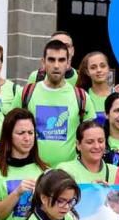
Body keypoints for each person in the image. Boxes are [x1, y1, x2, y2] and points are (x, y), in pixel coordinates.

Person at [20, 39, 87, 167]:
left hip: (69, 174)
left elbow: (90, 138)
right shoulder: (26, 93)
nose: (56, 65)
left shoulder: (82, 97)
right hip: (32, 170)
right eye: (51, 60)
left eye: (61, 60)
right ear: (43, 62)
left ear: (68, 63)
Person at [76, 51, 119, 124]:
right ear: (87, 72)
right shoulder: (81, 98)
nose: (99, 70)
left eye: (103, 66)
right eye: (93, 67)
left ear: (108, 68)